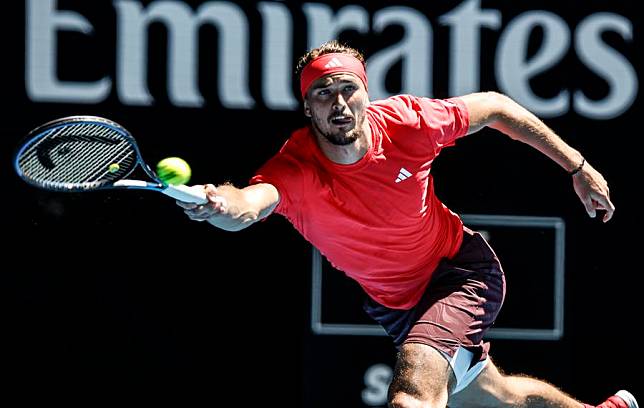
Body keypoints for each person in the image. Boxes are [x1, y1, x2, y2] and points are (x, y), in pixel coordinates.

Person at [176, 41, 636, 408]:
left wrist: (577, 166)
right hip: (395, 304)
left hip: (459, 273)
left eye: (347, 89)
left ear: (364, 93)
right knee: (498, 397)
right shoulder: (295, 169)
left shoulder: (409, 123)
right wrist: (220, 202)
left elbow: (496, 107)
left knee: (413, 393)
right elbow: (250, 204)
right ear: (308, 108)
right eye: (323, 93)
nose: (338, 103)